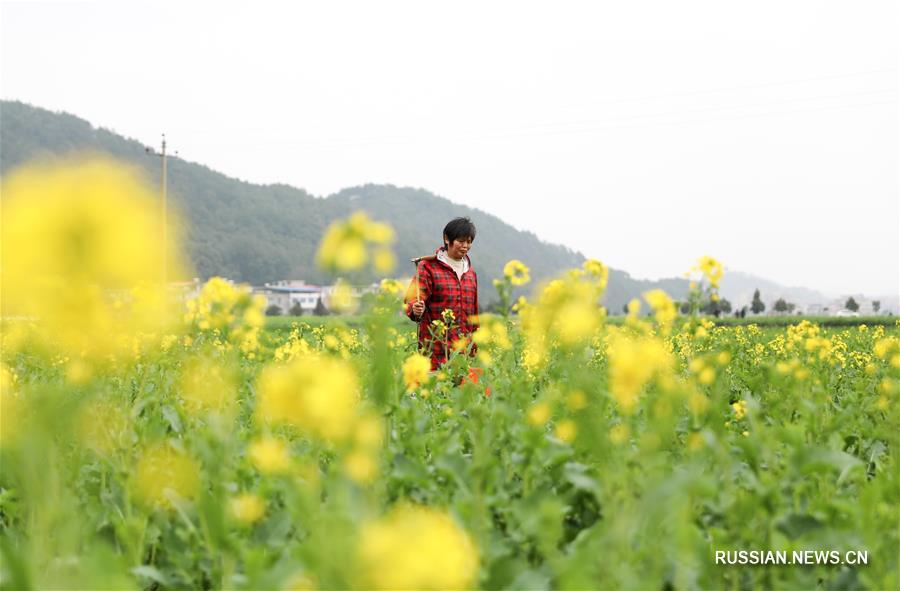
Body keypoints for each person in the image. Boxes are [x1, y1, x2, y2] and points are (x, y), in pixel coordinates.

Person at [405, 217, 480, 370]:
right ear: (447, 239)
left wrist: (474, 344)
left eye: (469, 242)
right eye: (460, 241)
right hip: (435, 351)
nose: (465, 246)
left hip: (463, 353)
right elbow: (413, 299)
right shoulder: (428, 267)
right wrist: (415, 308)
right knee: (436, 392)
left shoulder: (471, 273)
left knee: (461, 392)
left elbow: (474, 314)